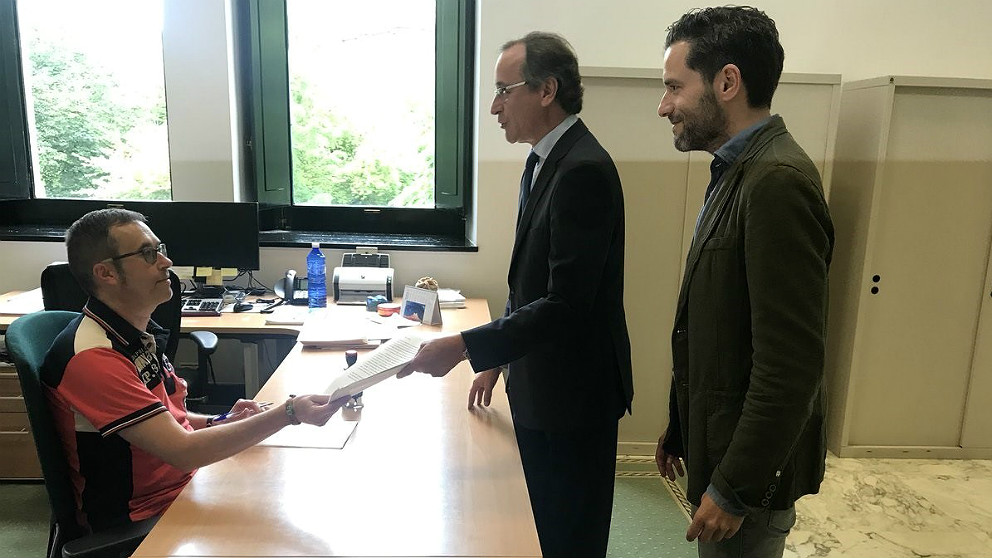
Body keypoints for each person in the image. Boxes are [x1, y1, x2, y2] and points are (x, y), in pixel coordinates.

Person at [397, 32, 632, 558]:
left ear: (547, 90)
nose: (494, 106)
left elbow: (566, 304)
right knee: (538, 527)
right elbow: (529, 283)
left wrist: (465, 346)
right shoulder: (542, 160)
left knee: (569, 534)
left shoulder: (583, 170)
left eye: (505, 90)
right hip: (539, 381)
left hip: (572, 395)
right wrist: (498, 360)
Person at [653, 7, 834, 558]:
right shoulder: (736, 170)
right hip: (722, 446)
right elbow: (717, 327)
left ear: (727, 82)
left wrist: (735, 488)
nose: (664, 106)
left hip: (750, 480)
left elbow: (790, 365)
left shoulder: (776, 183)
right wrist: (682, 425)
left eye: (674, 87)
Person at [42, 208, 346, 534]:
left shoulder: (132, 333)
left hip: (182, 488)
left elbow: (165, 420)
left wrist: (220, 421)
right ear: (106, 274)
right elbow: (183, 451)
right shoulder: (94, 358)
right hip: (140, 520)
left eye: (160, 249)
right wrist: (289, 412)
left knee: (308, 496)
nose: (165, 262)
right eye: (147, 254)